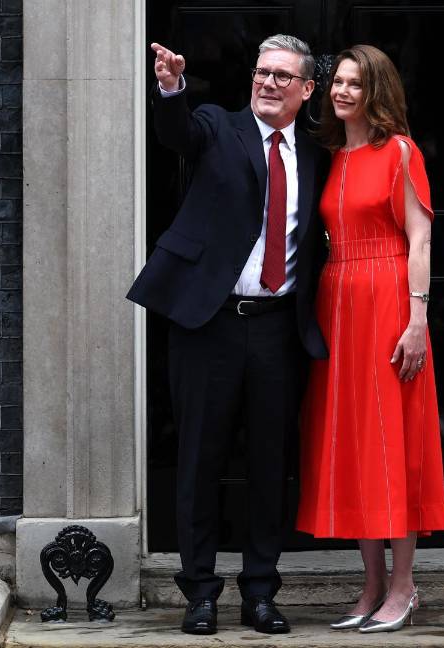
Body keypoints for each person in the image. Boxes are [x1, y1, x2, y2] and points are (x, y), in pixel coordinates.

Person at [127, 35, 327, 635]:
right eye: (262, 73)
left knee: (271, 466)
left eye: (283, 77)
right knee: (199, 461)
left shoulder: (319, 155)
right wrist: (169, 89)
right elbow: (176, 134)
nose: (268, 83)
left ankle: (261, 592)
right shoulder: (217, 125)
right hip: (208, 324)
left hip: (277, 329)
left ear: (306, 90)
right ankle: (200, 593)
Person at [295, 44, 444, 633]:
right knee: (356, 440)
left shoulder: (400, 152)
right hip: (338, 305)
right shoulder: (332, 156)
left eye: (355, 84)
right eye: (337, 81)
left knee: (393, 439)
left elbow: (420, 239)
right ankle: (372, 584)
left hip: (388, 300)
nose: (341, 91)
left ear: (376, 92)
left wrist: (417, 320)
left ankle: (406, 585)